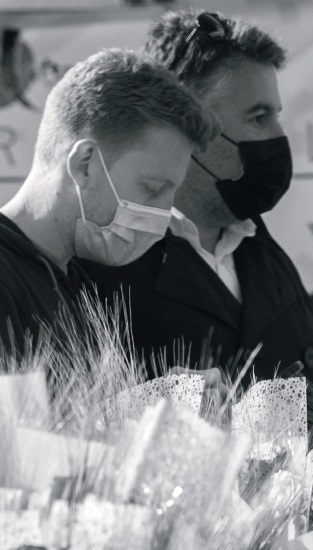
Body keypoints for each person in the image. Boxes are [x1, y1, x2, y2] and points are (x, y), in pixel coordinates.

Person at [80, 9, 313, 391]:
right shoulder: (102, 270)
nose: (279, 136)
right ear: (187, 122)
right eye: (259, 117)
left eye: (276, 116)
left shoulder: (270, 260)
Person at [0, 48, 214, 359]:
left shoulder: (73, 281)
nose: (165, 214)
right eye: (153, 188)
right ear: (84, 164)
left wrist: (160, 390)